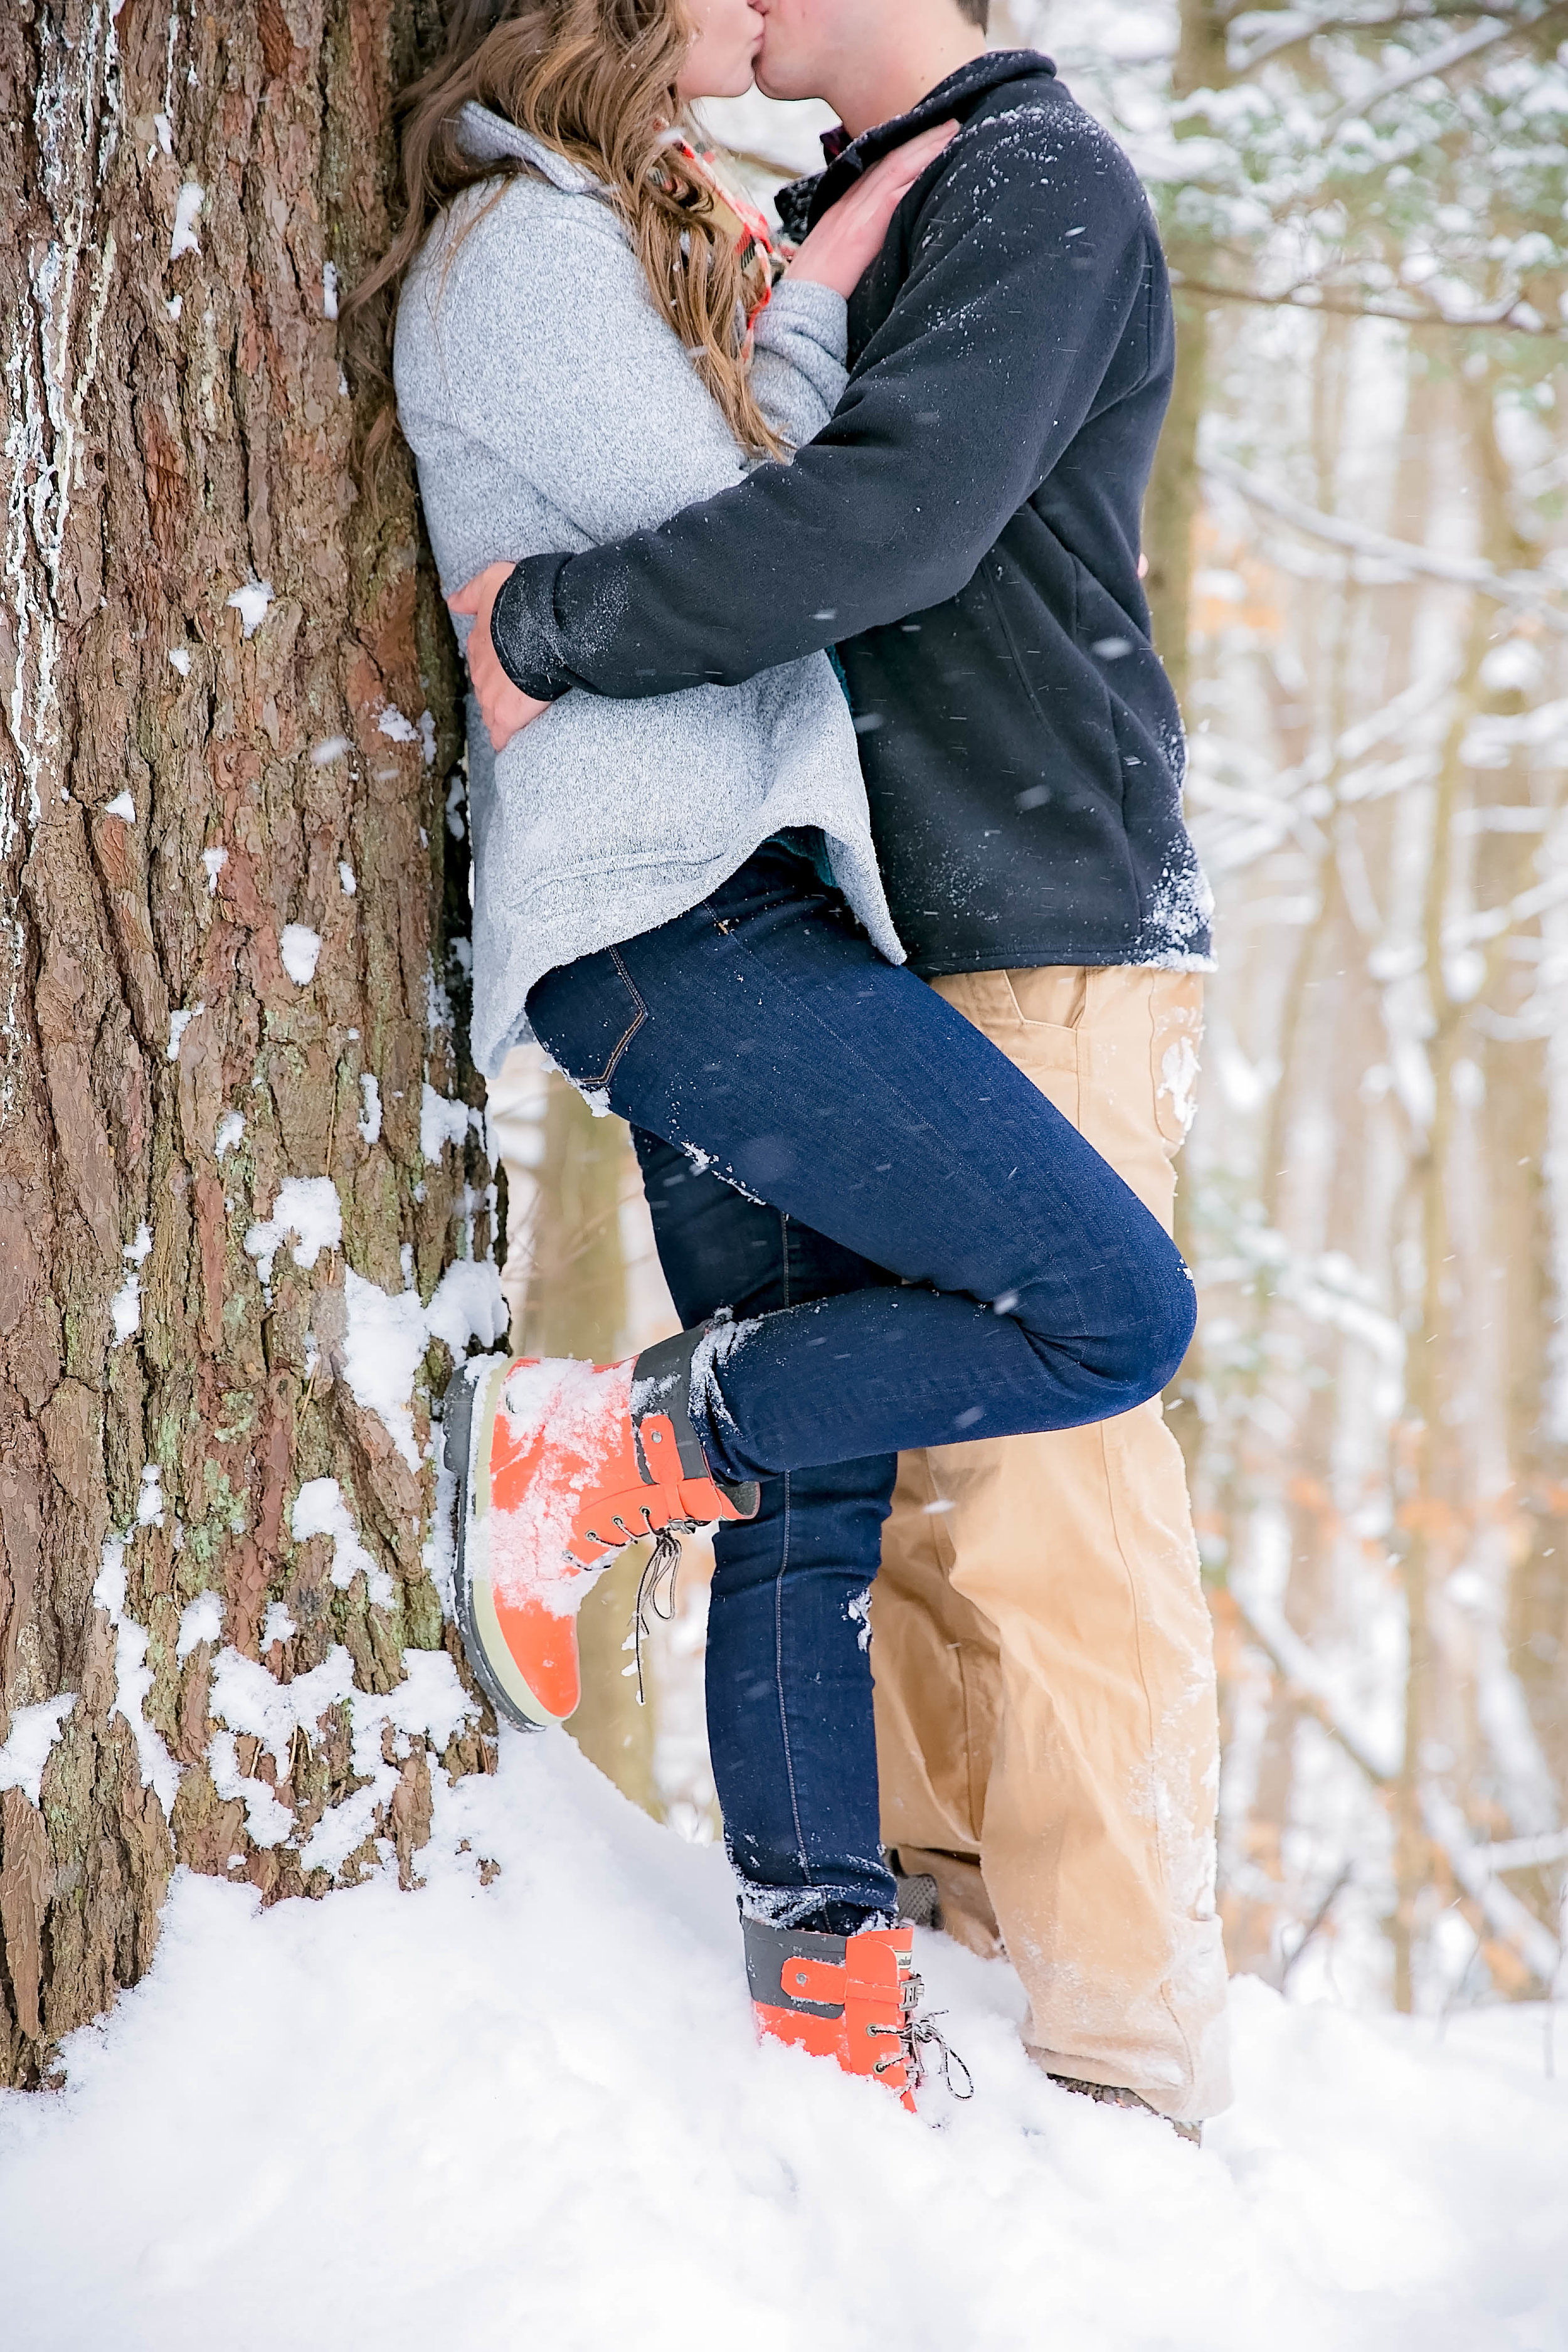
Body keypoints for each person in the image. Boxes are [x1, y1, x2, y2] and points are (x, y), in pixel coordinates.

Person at [364, 0, 1198, 2113]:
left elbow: (783, 502)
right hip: (676, 910)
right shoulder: (522, 251)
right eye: (696, 1)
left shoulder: (914, 197)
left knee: (817, 1489)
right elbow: (777, 521)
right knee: (1104, 1319)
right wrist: (800, 303)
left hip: (750, 896)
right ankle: (616, 1445)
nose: (737, 19)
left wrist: (805, 284)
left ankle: (825, 1970)